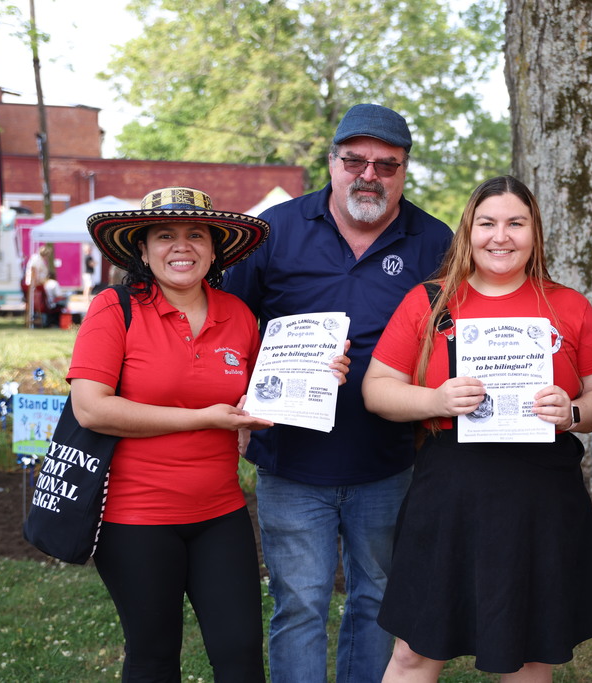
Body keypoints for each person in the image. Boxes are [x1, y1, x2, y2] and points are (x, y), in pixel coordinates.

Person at [72, 187, 343, 681]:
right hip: (136, 518)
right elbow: (91, 409)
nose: (182, 246)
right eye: (165, 235)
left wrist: (320, 375)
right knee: (153, 657)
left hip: (220, 514)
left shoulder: (238, 314)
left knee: (241, 656)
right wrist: (204, 418)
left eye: (196, 234)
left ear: (215, 248)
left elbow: (262, 397)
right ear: (142, 248)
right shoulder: (116, 308)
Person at [224, 104, 453, 683]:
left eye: (386, 164)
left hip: (389, 460)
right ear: (331, 162)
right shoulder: (274, 231)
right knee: (299, 605)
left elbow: (451, 338)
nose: (369, 175)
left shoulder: (435, 241)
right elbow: (233, 325)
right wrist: (243, 400)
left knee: (376, 601)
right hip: (291, 461)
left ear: (404, 170)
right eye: (354, 161)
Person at [362, 175, 592, 681]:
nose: (500, 237)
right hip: (451, 488)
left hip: (539, 493)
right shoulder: (430, 302)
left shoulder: (567, 306)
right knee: (415, 649)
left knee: (527, 650)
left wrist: (572, 412)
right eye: (487, 223)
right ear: (468, 231)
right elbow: (376, 389)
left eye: (515, 223)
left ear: (534, 233)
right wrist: (434, 398)